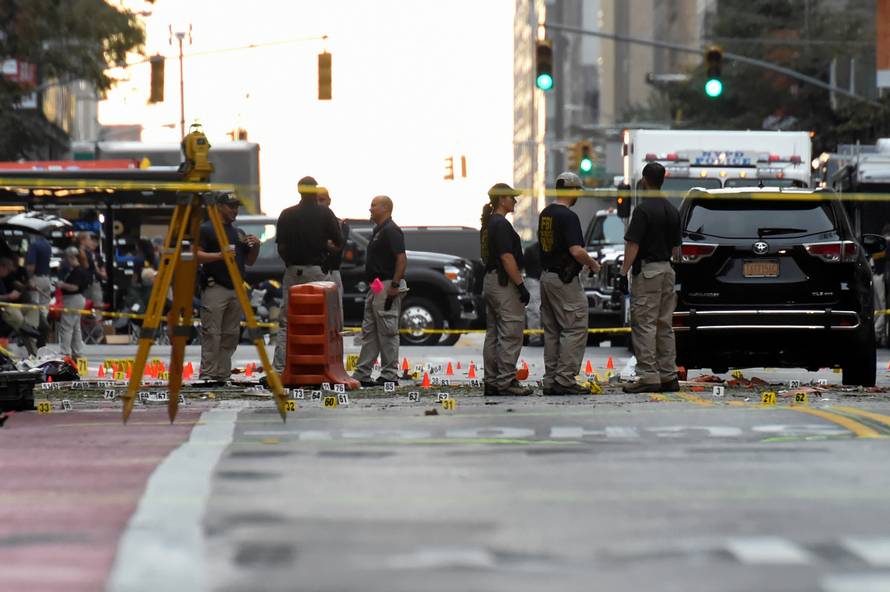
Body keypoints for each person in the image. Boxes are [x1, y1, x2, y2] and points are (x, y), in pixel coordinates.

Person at [620, 162, 681, 393]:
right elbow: (677, 249)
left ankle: (648, 377)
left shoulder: (643, 210)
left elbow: (633, 244)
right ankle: (668, 375)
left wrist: (622, 271)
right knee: (665, 325)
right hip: (667, 271)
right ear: (663, 180)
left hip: (648, 272)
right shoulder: (672, 210)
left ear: (645, 180)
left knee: (644, 324)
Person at [537, 172, 601, 395]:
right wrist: (593, 264)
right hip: (564, 280)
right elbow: (576, 250)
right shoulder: (568, 216)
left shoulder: (546, 214)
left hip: (546, 277)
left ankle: (551, 379)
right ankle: (564, 380)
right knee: (574, 327)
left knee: (553, 330)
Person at [272, 176, 343, 372]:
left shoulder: (287, 214)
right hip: (316, 272)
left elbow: (281, 246)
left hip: (293, 271)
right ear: (315, 190)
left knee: (287, 320)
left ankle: (280, 368)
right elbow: (339, 243)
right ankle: (319, 367)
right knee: (320, 318)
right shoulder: (325, 214)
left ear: (299, 190)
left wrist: (289, 263)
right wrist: (326, 254)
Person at [197, 192, 260, 382]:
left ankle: (222, 373)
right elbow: (196, 255)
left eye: (236, 207)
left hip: (236, 288)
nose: (235, 210)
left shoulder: (238, 233)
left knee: (231, 334)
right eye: (231, 206)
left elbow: (249, 261)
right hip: (216, 286)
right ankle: (208, 373)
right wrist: (219, 255)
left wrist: (256, 246)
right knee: (212, 332)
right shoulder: (207, 229)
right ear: (219, 207)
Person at [481, 183, 533, 396]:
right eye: (512, 197)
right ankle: (505, 383)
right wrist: (520, 285)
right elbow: (506, 257)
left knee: (494, 333)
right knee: (511, 332)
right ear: (502, 199)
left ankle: (492, 381)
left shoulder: (489, 224)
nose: (515, 201)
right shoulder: (500, 224)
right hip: (503, 282)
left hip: (491, 280)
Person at [351, 195, 408, 387]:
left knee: (388, 331)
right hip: (377, 285)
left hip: (386, 284)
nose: (370, 208)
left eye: (374, 205)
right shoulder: (379, 230)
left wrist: (393, 285)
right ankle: (362, 374)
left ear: (385, 208)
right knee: (371, 332)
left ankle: (390, 375)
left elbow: (401, 259)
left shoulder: (392, 230)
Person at [317, 187, 348, 327]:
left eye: (322, 199)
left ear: (329, 201)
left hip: (332, 271)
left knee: (335, 315)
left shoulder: (339, 223)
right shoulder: (305, 223)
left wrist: (317, 241)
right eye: (316, 200)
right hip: (313, 270)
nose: (319, 203)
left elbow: (337, 247)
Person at [57, 246, 91, 361]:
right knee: (76, 328)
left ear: (72, 257)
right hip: (78, 299)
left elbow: (74, 287)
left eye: (67, 258)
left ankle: (65, 353)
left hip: (72, 299)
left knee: (66, 327)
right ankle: (78, 352)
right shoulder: (82, 270)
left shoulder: (77, 271)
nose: (66, 261)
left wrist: (61, 285)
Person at [0, 257, 39, 355]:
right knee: (14, 314)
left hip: (11, 305)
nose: (9, 272)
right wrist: (8, 297)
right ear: (2, 267)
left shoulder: (6, 278)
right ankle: (24, 327)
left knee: (33, 307)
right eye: (8, 270)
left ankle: (30, 327)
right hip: (4, 308)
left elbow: (19, 286)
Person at [25, 232, 52, 347]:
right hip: (46, 279)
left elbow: (31, 266)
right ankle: (43, 335)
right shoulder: (47, 245)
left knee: (34, 308)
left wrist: (28, 277)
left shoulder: (34, 246)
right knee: (44, 308)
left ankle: (34, 337)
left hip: (36, 279)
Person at [523, 241, 543, 346]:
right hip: (535, 280)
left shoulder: (530, 250)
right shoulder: (531, 250)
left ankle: (535, 337)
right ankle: (535, 338)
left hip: (535, 279)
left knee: (534, 311)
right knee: (535, 310)